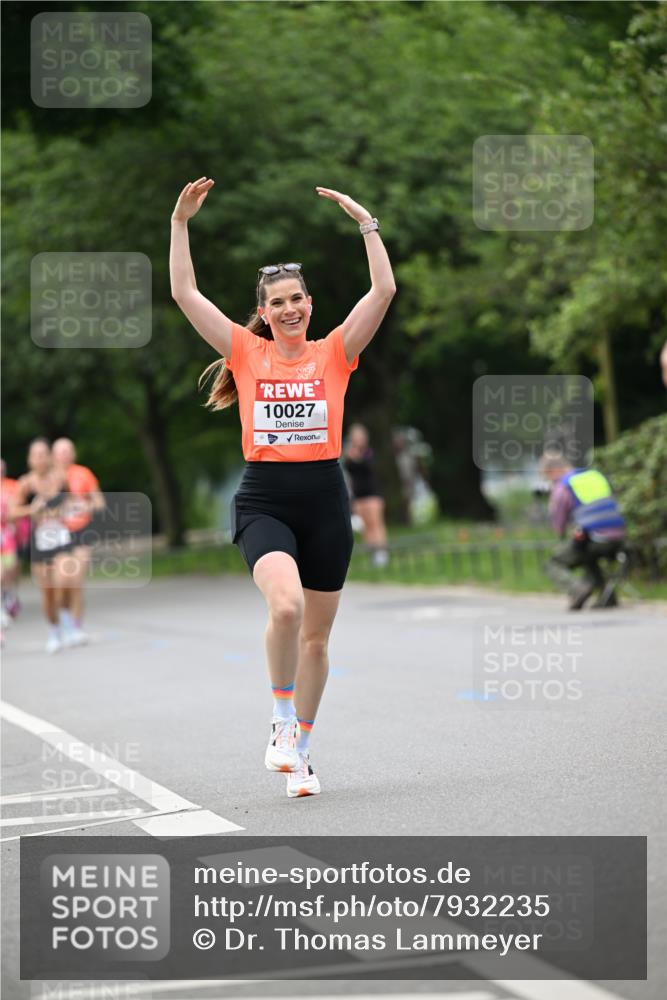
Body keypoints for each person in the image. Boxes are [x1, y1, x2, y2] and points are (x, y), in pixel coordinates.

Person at [170, 176, 395, 797]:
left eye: (297, 298)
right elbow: (184, 292)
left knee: (318, 639)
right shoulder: (245, 351)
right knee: (288, 608)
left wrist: (365, 222)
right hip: (265, 497)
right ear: (264, 314)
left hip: (325, 496)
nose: (289, 308)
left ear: (310, 303)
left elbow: (383, 289)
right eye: (278, 302)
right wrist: (181, 224)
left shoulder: (335, 353)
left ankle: (302, 751)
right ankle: (279, 720)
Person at [540, 450, 626, 610]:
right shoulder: (595, 476)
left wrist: (560, 533)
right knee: (587, 555)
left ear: (552, 471)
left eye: (546, 476)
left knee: (554, 562)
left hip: (594, 537)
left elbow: (559, 523)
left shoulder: (563, 486)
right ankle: (608, 597)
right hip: (620, 536)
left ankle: (577, 589)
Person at [10, 439, 74, 653]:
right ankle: (54, 631)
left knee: (64, 579)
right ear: (30, 459)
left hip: (61, 538)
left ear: (49, 457)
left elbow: (71, 501)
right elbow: (12, 513)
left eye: (44, 454)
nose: (40, 458)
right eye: (36, 455)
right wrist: (31, 510)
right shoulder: (25, 484)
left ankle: (65, 615)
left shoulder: (60, 477)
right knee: (47, 591)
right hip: (39, 543)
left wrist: (66, 509)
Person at [52, 437, 104, 646]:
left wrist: (85, 507)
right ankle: (64, 622)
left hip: (81, 531)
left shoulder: (83, 473)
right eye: (60, 451)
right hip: (57, 534)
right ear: (54, 455)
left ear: (73, 454)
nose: (64, 454)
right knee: (62, 582)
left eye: (68, 450)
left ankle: (76, 627)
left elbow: (99, 502)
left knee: (76, 581)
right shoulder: (49, 478)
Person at [342, 423, 389, 567]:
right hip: (358, 495)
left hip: (372, 494)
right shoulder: (349, 454)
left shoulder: (369, 453)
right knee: (365, 527)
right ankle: (372, 555)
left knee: (376, 523)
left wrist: (355, 457)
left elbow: (367, 467)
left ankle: (382, 554)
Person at [1, 459, 22, 624]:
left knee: (11, 568)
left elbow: (17, 508)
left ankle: (10, 594)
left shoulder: (12, 486)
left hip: (7, 533)